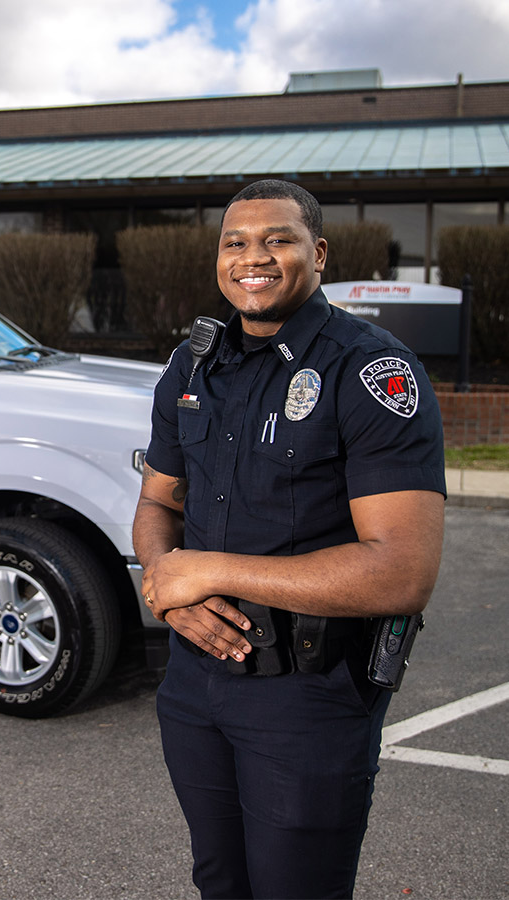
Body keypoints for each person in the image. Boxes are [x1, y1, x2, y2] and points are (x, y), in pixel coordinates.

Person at [132, 179, 445, 900]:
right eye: (236, 243)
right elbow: (157, 505)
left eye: (278, 239)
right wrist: (168, 587)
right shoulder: (192, 367)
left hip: (307, 695)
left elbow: (401, 572)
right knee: (219, 881)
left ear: (319, 253)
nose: (255, 257)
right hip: (195, 681)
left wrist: (204, 570)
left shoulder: (369, 372)